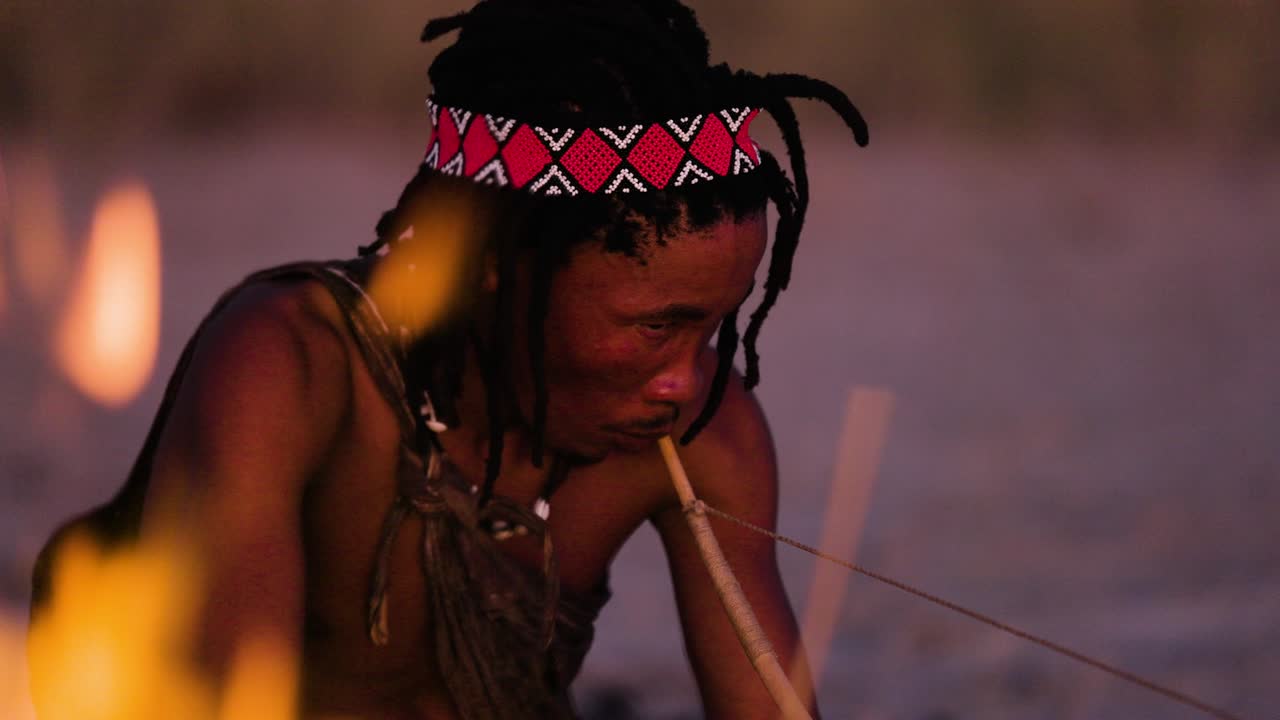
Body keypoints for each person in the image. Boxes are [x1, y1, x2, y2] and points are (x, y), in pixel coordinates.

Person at [31, 1, 867, 717]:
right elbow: (226, 699)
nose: (686, 380)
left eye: (714, 327)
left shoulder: (706, 436)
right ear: (494, 260)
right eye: (656, 328)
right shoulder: (293, 368)